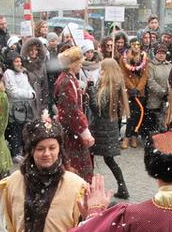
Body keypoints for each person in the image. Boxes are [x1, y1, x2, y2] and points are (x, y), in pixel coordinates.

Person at [89, 58, 131, 199]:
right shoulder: (115, 84)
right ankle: (122, 187)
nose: (100, 71)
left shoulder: (108, 87)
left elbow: (97, 108)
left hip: (101, 127)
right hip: (109, 126)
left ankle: (90, 186)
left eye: (102, 68)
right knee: (109, 160)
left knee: (91, 156)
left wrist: (91, 89)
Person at [55, 46, 96, 181]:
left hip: (72, 131)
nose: (81, 65)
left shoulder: (68, 79)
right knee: (77, 171)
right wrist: (84, 132)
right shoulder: (67, 82)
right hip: (72, 133)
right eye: (79, 62)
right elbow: (72, 111)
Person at [3, 52, 36, 162]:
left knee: (24, 129)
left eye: (20, 61)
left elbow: (28, 87)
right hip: (14, 106)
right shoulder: (8, 73)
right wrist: (28, 94)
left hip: (24, 106)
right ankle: (15, 152)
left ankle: (23, 150)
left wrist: (32, 93)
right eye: (16, 61)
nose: (19, 63)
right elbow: (13, 92)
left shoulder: (22, 73)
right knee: (15, 130)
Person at [119, 38, 150, 150]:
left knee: (137, 114)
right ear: (130, 46)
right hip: (128, 91)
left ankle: (134, 136)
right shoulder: (124, 58)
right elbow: (123, 74)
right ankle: (127, 136)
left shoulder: (144, 58)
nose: (136, 47)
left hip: (140, 91)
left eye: (138, 45)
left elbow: (145, 75)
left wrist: (138, 88)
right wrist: (131, 88)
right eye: (134, 45)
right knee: (129, 115)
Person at [145, 45, 171, 136]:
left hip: (167, 100)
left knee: (165, 121)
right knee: (154, 123)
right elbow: (150, 81)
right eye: (159, 53)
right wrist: (162, 92)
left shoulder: (169, 66)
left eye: (163, 53)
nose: (161, 55)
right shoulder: (150, 66)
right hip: (154, 100)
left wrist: (169, 93)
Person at [21, 37, 49, 117]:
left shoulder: (42, 65)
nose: (34, 52)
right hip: (28, 100)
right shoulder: (23, 65)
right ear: (27, 51)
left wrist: (45, 105)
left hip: (39, 100)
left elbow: (45, 86)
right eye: (31, 50)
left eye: (36, 50)